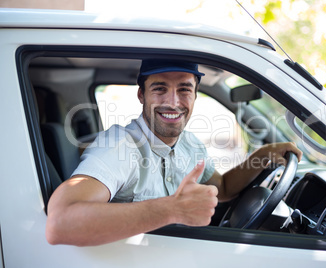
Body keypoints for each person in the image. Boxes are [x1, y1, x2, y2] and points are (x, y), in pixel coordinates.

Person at [46, 59, 302, 246]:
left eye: (184, 89)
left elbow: (222, 188)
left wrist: (261, 156)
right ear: (141, 95)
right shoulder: (119, 145)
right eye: (159, 88)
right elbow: (61, 222)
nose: (173, 102)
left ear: (194, 96)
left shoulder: (190, 144)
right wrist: (173, 210)